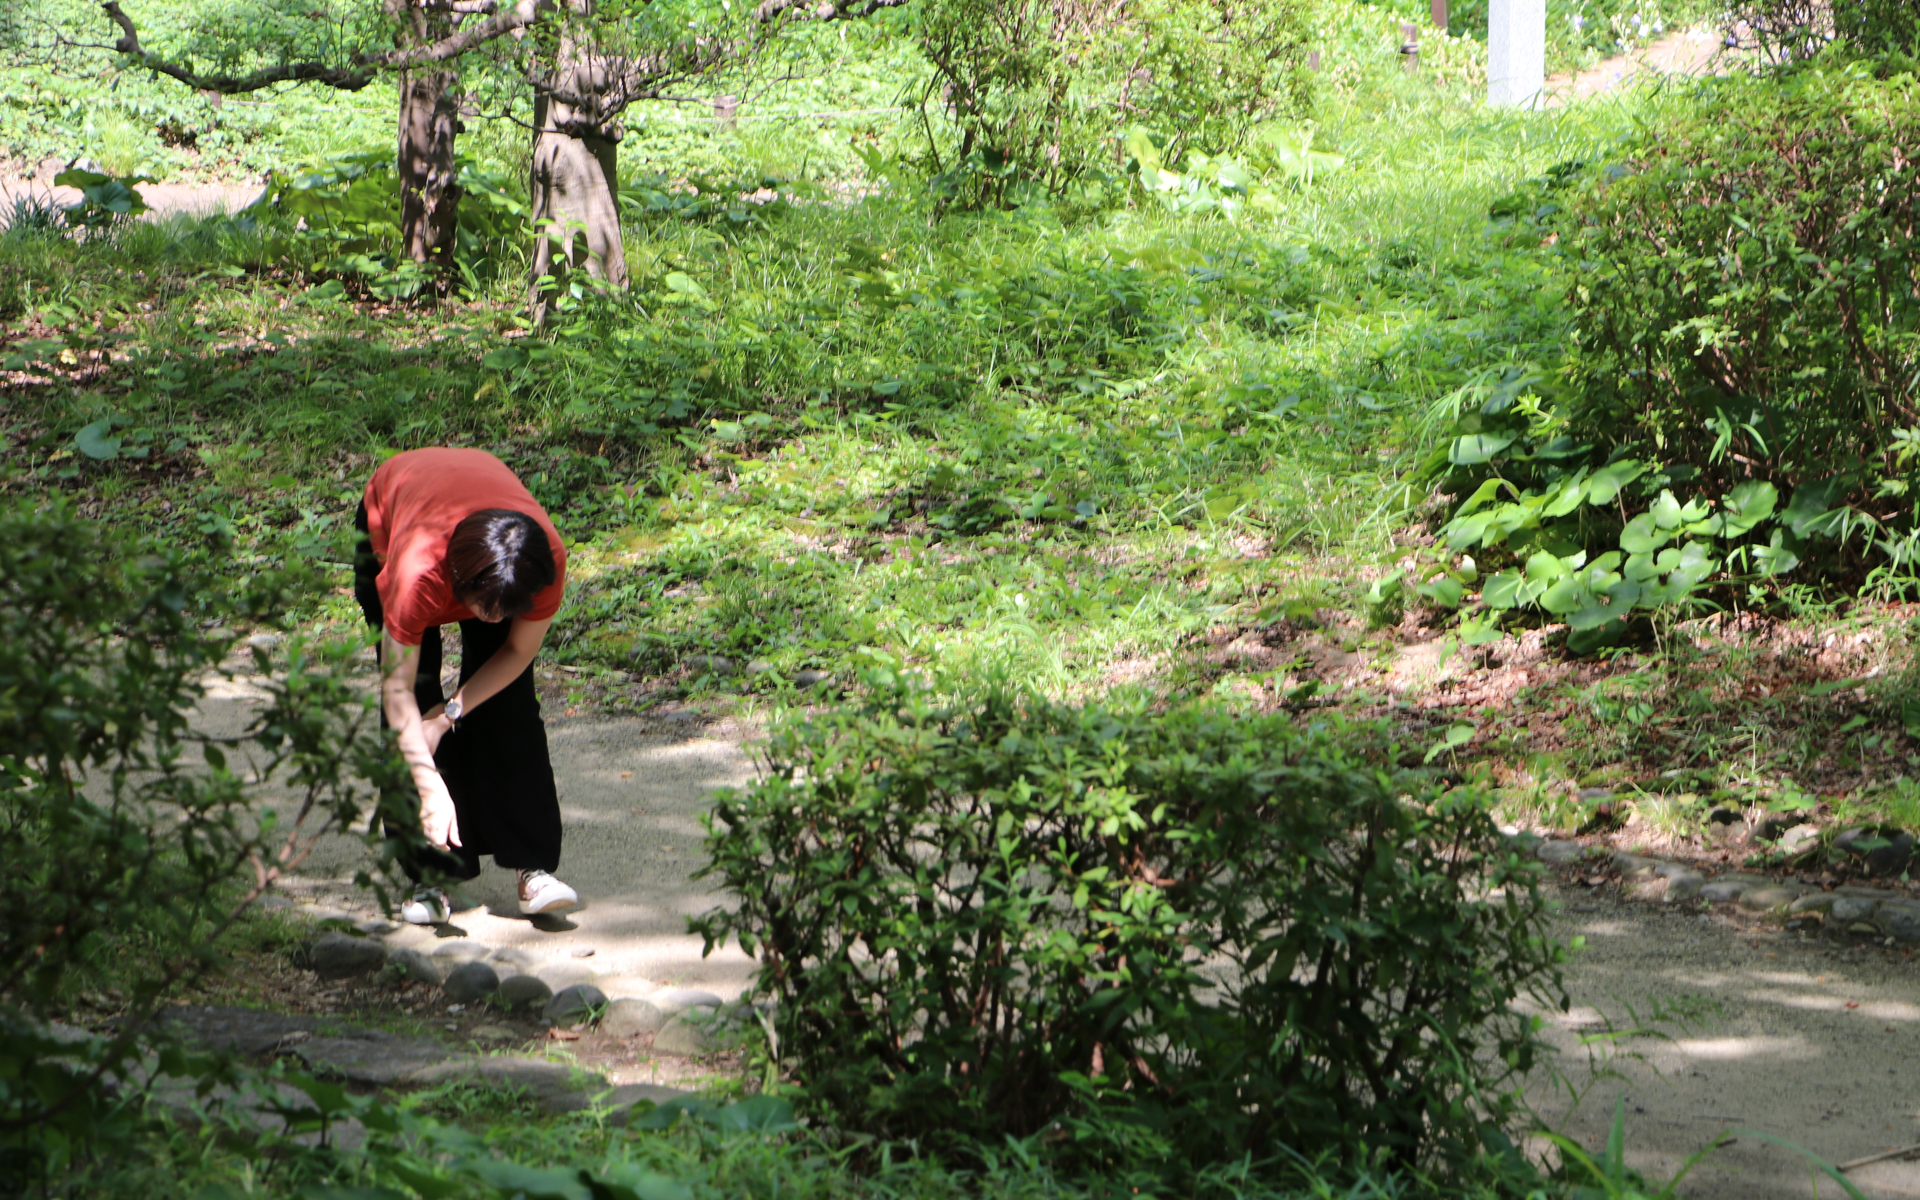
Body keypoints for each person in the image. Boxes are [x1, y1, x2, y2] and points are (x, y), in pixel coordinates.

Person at [352, 447, 580, 924]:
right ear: (460, 584)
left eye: (506, 610)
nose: (495, 619)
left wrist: (453, 712)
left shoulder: (540, 564)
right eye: (486, 608)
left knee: (509, 704)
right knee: (418, 697)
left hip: (492, 556)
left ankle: (532, 868)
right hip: (399, 518)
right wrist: (429, 783)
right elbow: (397, 693)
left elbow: (517, 653)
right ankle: (429, 876)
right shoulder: (418, 576)